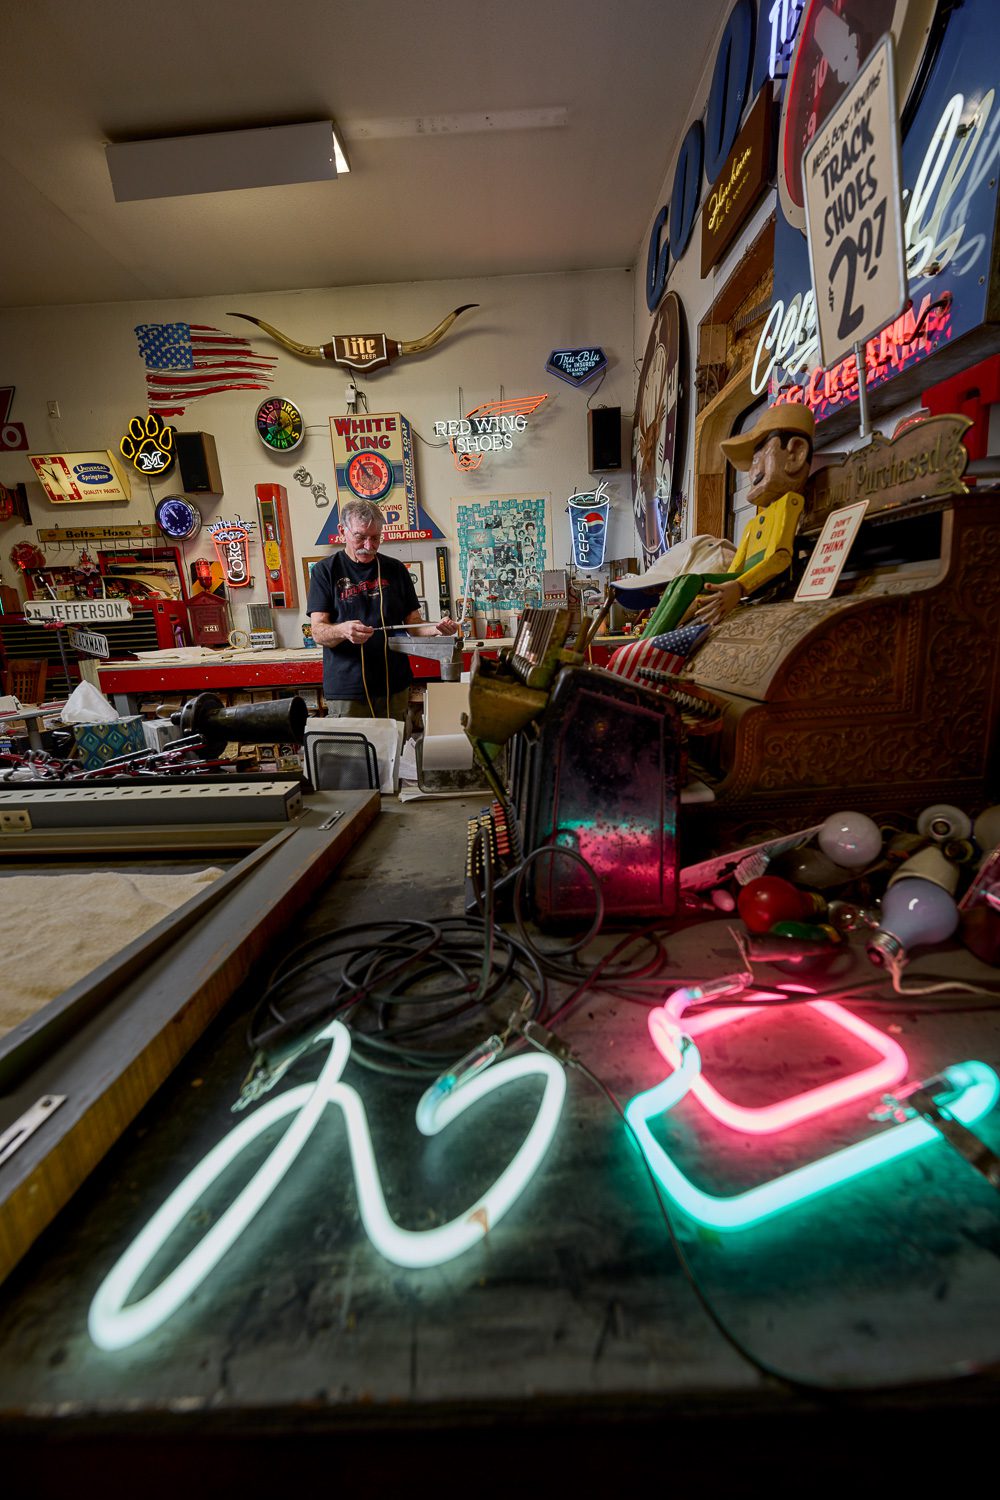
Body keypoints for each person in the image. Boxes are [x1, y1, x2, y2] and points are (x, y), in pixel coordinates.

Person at [613, 403, 815, 639]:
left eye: (759, 455)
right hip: (741, 583)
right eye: (752, 461)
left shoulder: (788, 508)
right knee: (685, 584)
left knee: (687, 582)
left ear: (795, 453)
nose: (752, 471)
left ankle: (645, 646)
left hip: (760, 585)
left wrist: (740, 587)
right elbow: (738, 567)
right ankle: (646, 644)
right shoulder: (755, 524)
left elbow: (779, 558)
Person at [307, 499, 459, 721]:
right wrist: (343, 631)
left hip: (393, 684)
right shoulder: (325, 571)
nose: (369, 546)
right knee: (356, 754)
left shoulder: (395, 569)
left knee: (394, 752)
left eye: (376, 538)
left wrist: (435, 628)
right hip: (348, 688)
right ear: (342, 531)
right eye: (360, 537)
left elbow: (413, 624)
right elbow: (318, 631)